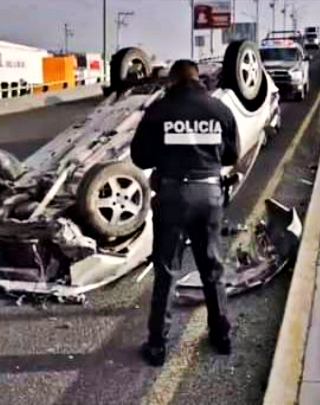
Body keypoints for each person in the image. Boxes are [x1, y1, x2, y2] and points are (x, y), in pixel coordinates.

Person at [130, 60, 238, 366]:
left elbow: (140, 156)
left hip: (173, 194)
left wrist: (169, 153)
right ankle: (221, 336)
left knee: (167, 270)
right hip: (209, 195)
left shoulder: (159, 111)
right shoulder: (219, 111)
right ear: (197, 79)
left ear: (174, 80)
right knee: (212, 268)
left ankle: (157, 345)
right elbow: (231, 154)